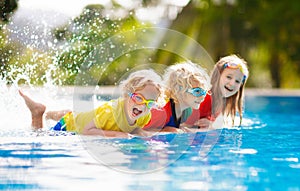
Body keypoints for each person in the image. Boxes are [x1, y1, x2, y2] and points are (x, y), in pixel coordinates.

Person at [19, 69, 163, 138]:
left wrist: (140, 132)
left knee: (72, 114)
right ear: (127, 94)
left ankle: (50, 113)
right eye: (139, 98)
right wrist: (120, 135)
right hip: (68, 127)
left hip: (81, 117)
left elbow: (133, 127)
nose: (143, 106)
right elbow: (86, 131)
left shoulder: (145, 115)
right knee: (40, 136)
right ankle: (38, 113)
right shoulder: (110, 113)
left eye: (150, 103)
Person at [183, 54, 249, 129]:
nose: (232, 83)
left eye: (237, 81)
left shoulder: (224, 101)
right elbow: (183, 126)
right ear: (217, 76)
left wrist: (212, 124)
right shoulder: (203, 98)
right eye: (229, 77)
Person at [143, 61, 211, 133]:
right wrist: (166, 130)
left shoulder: (187, 110)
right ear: (179, 91)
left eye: (204, 92)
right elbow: (139, 132)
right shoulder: (161, 111)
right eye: (197, 92)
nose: (202, 97)